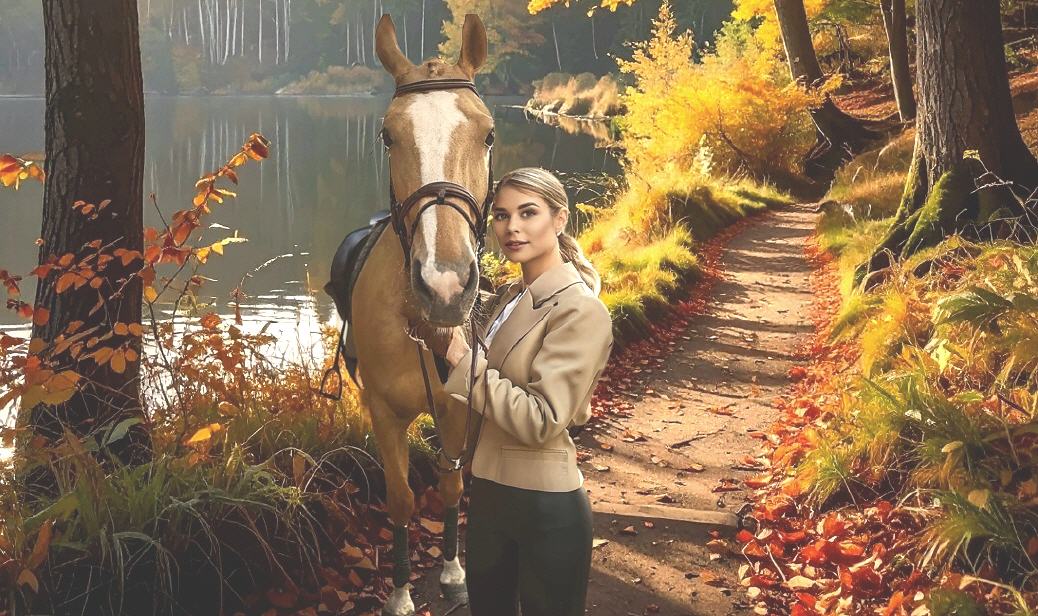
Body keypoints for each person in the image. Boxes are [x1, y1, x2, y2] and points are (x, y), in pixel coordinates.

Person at [414, 167, 614, 616]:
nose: (512, 228)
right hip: (488, 498)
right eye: (501, 216)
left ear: (560, 219)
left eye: (528, 213)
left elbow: (542, 420)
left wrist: (462, 360)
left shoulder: (581, 311)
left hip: (545, 507)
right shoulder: (511, 296)